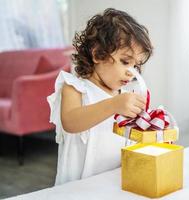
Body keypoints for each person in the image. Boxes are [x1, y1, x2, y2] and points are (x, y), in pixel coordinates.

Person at [47, 8, 153, 185]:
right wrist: (113, 105)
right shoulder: (74, 88)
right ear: (97, 54)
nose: (131, 73)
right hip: (77, 189)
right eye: (126, 62)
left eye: (136, 65)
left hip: (112, 184)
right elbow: (71, 122)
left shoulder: (123, 97)